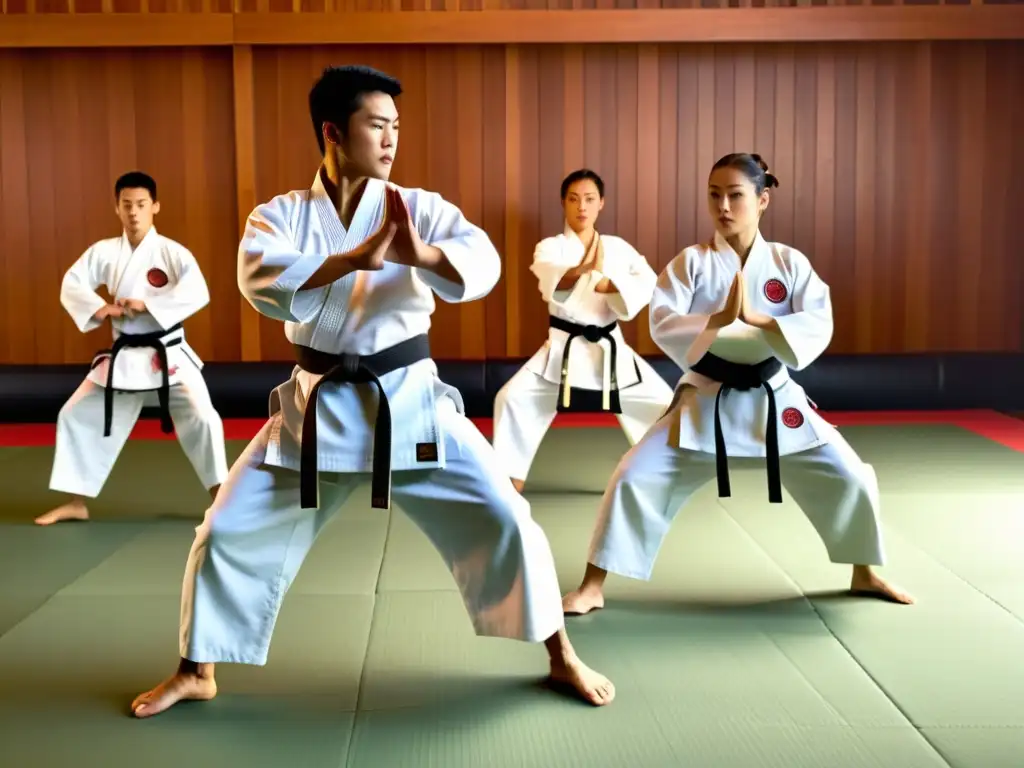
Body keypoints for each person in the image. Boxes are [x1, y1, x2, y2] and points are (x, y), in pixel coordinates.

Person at [130, 65, 615, 718]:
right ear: (334, 131)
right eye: (376, 125)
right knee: (224, 530)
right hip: (317, 411)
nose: (391, 139)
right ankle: (197, 669)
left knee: (505, 517)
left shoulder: (422, 208)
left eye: (395, 126)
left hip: (410, 402)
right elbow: (258, 282)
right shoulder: (280, 215)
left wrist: (423, 256)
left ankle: (561, 655)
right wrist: (347, 262)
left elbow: (484, 264)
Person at [561, 152, 914, 616]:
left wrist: (760, 319)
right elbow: (663, 320)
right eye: (714, 195)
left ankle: (863, 572)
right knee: (632, 476)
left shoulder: (789, 263)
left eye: (735, 195)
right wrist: (717, 319)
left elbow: (818, 320)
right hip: (708, 396)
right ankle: (592, 585)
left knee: (849, 475)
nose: (723, 206)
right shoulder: (692, 263)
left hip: (775, 397)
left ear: (763, 199)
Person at [36, 171, 228, 526]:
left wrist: (149, 305)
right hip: (124, 357)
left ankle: (221, 503)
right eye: (127, 205)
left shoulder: (172, 252)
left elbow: (197, 291)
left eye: (141, 205)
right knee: (75, 414)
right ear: (117, 208)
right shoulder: (105, 252)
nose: (134, 213)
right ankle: (76, 502)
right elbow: (73, 282)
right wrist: (98, 308)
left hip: (168, 354)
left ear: (155, 206)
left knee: (203, 418)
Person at [491, 169, 674, 493]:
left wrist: (608, 284)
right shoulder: (550, 247)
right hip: (562, 349)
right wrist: (586, 270)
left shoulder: (618, 248)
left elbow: (649, 281)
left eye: (589, 199)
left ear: (601, 203)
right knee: (511, 398)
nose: (582, 207)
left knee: (663, 401)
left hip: (609, 349)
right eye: (574, 199)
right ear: (563, 203)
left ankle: (659, 474)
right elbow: (553, 283)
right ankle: (509, 483)